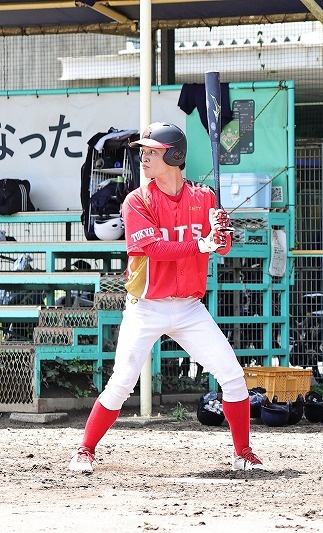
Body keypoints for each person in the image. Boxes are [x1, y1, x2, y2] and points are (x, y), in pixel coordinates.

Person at [68, 122, 267, 472]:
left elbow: (222, 247)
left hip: (189, 307)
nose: (143, 158)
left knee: (233, 376)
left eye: (152, 152)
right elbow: (154, 249)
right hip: (146, 306)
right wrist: (202, 243)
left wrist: (221, 232)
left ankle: (243, 453)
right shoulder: (137, 200)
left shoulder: (204, 197)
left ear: (175, 156)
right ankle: (85, 449)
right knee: (122, 382)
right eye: (143, 152)